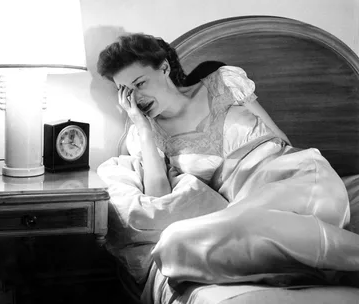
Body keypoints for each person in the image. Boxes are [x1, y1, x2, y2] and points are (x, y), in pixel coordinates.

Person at [97, 33, 359, 289]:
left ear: (164, 67)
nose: (136, 98)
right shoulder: (146, 134)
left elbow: (280, 137)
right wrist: (143, 128)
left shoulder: (224, 82)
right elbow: (159, 197)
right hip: (246, 210)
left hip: (299, 178)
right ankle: (311, 265)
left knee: (255, 225)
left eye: (140, 83)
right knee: (173, 245)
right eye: (126, 91)